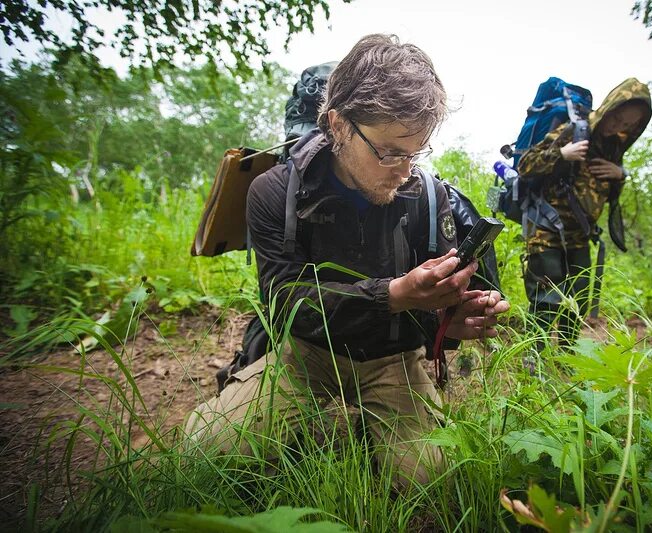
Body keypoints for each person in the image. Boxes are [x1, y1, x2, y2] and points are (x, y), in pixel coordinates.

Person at [184, 34, 509, 490]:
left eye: (416, 152)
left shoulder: (429, 197)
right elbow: (285, 299)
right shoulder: (275, 192)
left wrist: (450, 319)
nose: (404, 169)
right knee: (206, 453)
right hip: (305, 358)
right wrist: (392, 294)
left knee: (434, 480)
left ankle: (374, 429)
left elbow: (434, 305)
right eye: (390, 151)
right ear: (337, 124)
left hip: (394, 356)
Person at [516, 79, 652, 354]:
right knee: (546, 299)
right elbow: (525, 165)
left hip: (580, 236)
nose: (619, 126)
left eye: (628, 125)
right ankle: (534, 360)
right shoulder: (575, 129)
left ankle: (567, 358)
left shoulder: (613, 148)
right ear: (610, 106)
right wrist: (561, 153)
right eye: (618, 117)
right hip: (546, 230)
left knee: (577, 299)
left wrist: (620, 175)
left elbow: (607, 193)